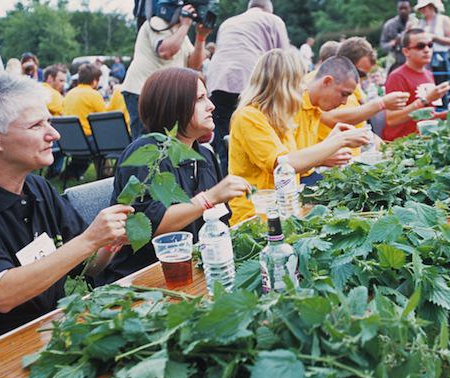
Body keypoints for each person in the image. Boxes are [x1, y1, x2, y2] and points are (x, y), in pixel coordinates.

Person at [0, 73, 133, 355]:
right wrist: (88, 240)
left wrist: (109, 243)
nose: (54, 134)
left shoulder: (37, 186)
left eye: (48, 121)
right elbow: (1, 295)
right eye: (37, 125)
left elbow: (86, 266)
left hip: (50, 339)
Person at [96, 68, 250, 284]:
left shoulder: (204, 155)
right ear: (173, 106)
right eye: (200, 98)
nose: (211, 106)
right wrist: (210, 197)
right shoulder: (148, 153)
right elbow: (151, 225)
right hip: (143, 280)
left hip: (197, 270)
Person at [228, 49, 370, 225]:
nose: (304, 88)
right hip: (256, 220)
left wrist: (328, 145)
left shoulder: (280, 118)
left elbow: (297, 165)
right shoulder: (248, 116)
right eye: (299, 82)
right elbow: (283, 164)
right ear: (284, 85)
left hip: (281, 212)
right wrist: (340, 141)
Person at [206, 0, 289, 177]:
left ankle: (227, 185)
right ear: (269, 9)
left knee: (226, 141)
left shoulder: (228, 22)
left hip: (217, 81)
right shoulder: (272, 20)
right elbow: (283, 58)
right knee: (255, 131)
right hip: (248, 79)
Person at [295, 56, 408, 184]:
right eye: (343, 94)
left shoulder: (317, 105)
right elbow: (285, 163)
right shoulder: (295, 104)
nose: (344, 102)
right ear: (327, 82)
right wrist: (327, 153)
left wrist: (331, 144)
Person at [121, 4, 211, 140]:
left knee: (168, 138)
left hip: (164, 93)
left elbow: (194, 64)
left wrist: (200, 38)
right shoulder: (156, 22)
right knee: (147, 140)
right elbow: (165, 51)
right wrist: (185, 25)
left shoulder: (180, 32)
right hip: (141, 90)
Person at [384, 28, 450, 141]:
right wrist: (425, 100)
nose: (427, 50)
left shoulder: (429, 74)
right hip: (403, 144)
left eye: (430, 45)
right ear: (406, 51)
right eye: (420, 46)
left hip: (425, 139)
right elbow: (392, 119)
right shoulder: (397, 77)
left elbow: (427, 114)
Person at [62, 64, 107, 180]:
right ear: (94, 80)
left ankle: (71, 173)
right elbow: (104, 120)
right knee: (105, 140)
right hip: (87, 142)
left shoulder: (69, 94)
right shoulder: (94, 95)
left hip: (67, 141)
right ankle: (105, 173)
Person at [412, 0, 450, 89]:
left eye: (425, 7)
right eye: (421, 8)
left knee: (443, 86)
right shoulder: (418, 23)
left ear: (432, 6)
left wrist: (435, 38)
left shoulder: (444, 20)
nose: (422, 10)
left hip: (442, 59)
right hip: (424, 60)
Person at [380, 0, 415, 71]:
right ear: (397, 9)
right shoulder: (389, 25)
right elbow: (383, 46)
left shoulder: (416, 23)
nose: (403, 11)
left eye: (405, 8)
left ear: (410, 9)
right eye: (400, 8)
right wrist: (393, 43)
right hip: (396, 62)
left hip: (413, 62)